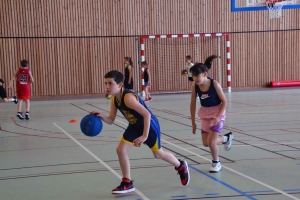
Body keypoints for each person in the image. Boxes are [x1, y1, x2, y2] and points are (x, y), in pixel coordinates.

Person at [91, 70, 190, 194]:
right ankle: (127, 183)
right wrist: (101, 116)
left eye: (110, 83)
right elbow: (111, 120)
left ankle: (180, 166)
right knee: (120, 150)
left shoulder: (128, 98)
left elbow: (147, 114)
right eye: (105, 83)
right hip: (134, 126)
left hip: (149, 125)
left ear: (120, 85)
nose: (107, 86)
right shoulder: (115, 100)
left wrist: (144, 135)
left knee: (158, 154)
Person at [189, 55, 233, 173]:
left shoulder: (215, 85)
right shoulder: (194, 86)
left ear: (204, 74)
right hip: (205, 113)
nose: (195, 78)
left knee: (211, 142)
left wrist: (218, 116)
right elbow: (192, 104)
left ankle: (216, 163)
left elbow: (224, 101)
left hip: (217, 113)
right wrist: (193, 122)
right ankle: (226, 138)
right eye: (193, 76)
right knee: (205, 143)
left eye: (197, 75)